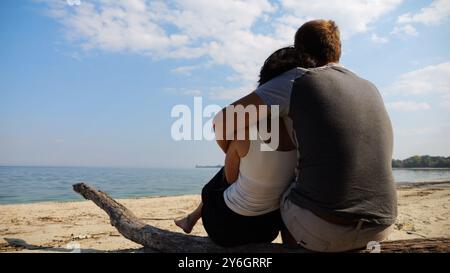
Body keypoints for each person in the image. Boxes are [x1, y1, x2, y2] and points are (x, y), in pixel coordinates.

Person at [213, 19, 397, 252]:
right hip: (381, 226)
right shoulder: (369, 86)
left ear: (299, 51)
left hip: (324, 229)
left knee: (282, 190)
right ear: (338, 49)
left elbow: (222, 120)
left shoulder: (298, 79)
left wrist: (234, 153)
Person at [175, 47, 301, 247]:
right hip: (267, 230)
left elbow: (231, 179)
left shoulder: (244, 131)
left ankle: (191, 218)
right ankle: (191, 218)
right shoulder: (303, 132)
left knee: (212, 188)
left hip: (227, 230)